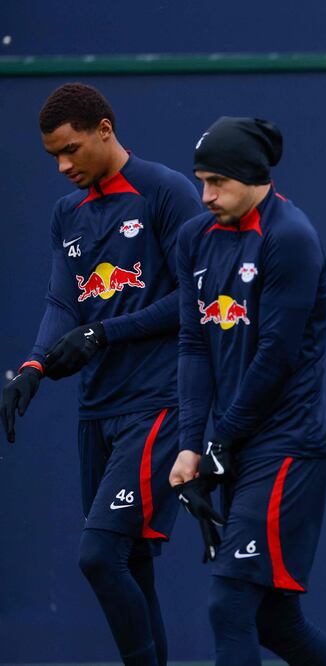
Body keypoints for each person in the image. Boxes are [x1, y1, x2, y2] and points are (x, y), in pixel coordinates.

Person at [0, 82, 201, 665]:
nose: (62, 166)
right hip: (98, 408)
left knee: (98, 555)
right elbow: (63, 303)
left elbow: (196, 295)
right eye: (52, 156)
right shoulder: (68, 213)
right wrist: (33, 367)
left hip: (156, 404)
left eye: (71, 149)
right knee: (130, 563)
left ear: (105, 130)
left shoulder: (164, 191)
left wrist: (104, 331)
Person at [168, 116, 326, 665]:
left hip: (286, 448)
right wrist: (191, 443)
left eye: (217, 182)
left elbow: (277, 354)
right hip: (237, 447)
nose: (205, 195)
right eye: (200, 180)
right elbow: (193, 344)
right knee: (275, 622)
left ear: (252, 175)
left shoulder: (289, 236)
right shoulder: (193, 239)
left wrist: (222, 440)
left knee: (230, 604)